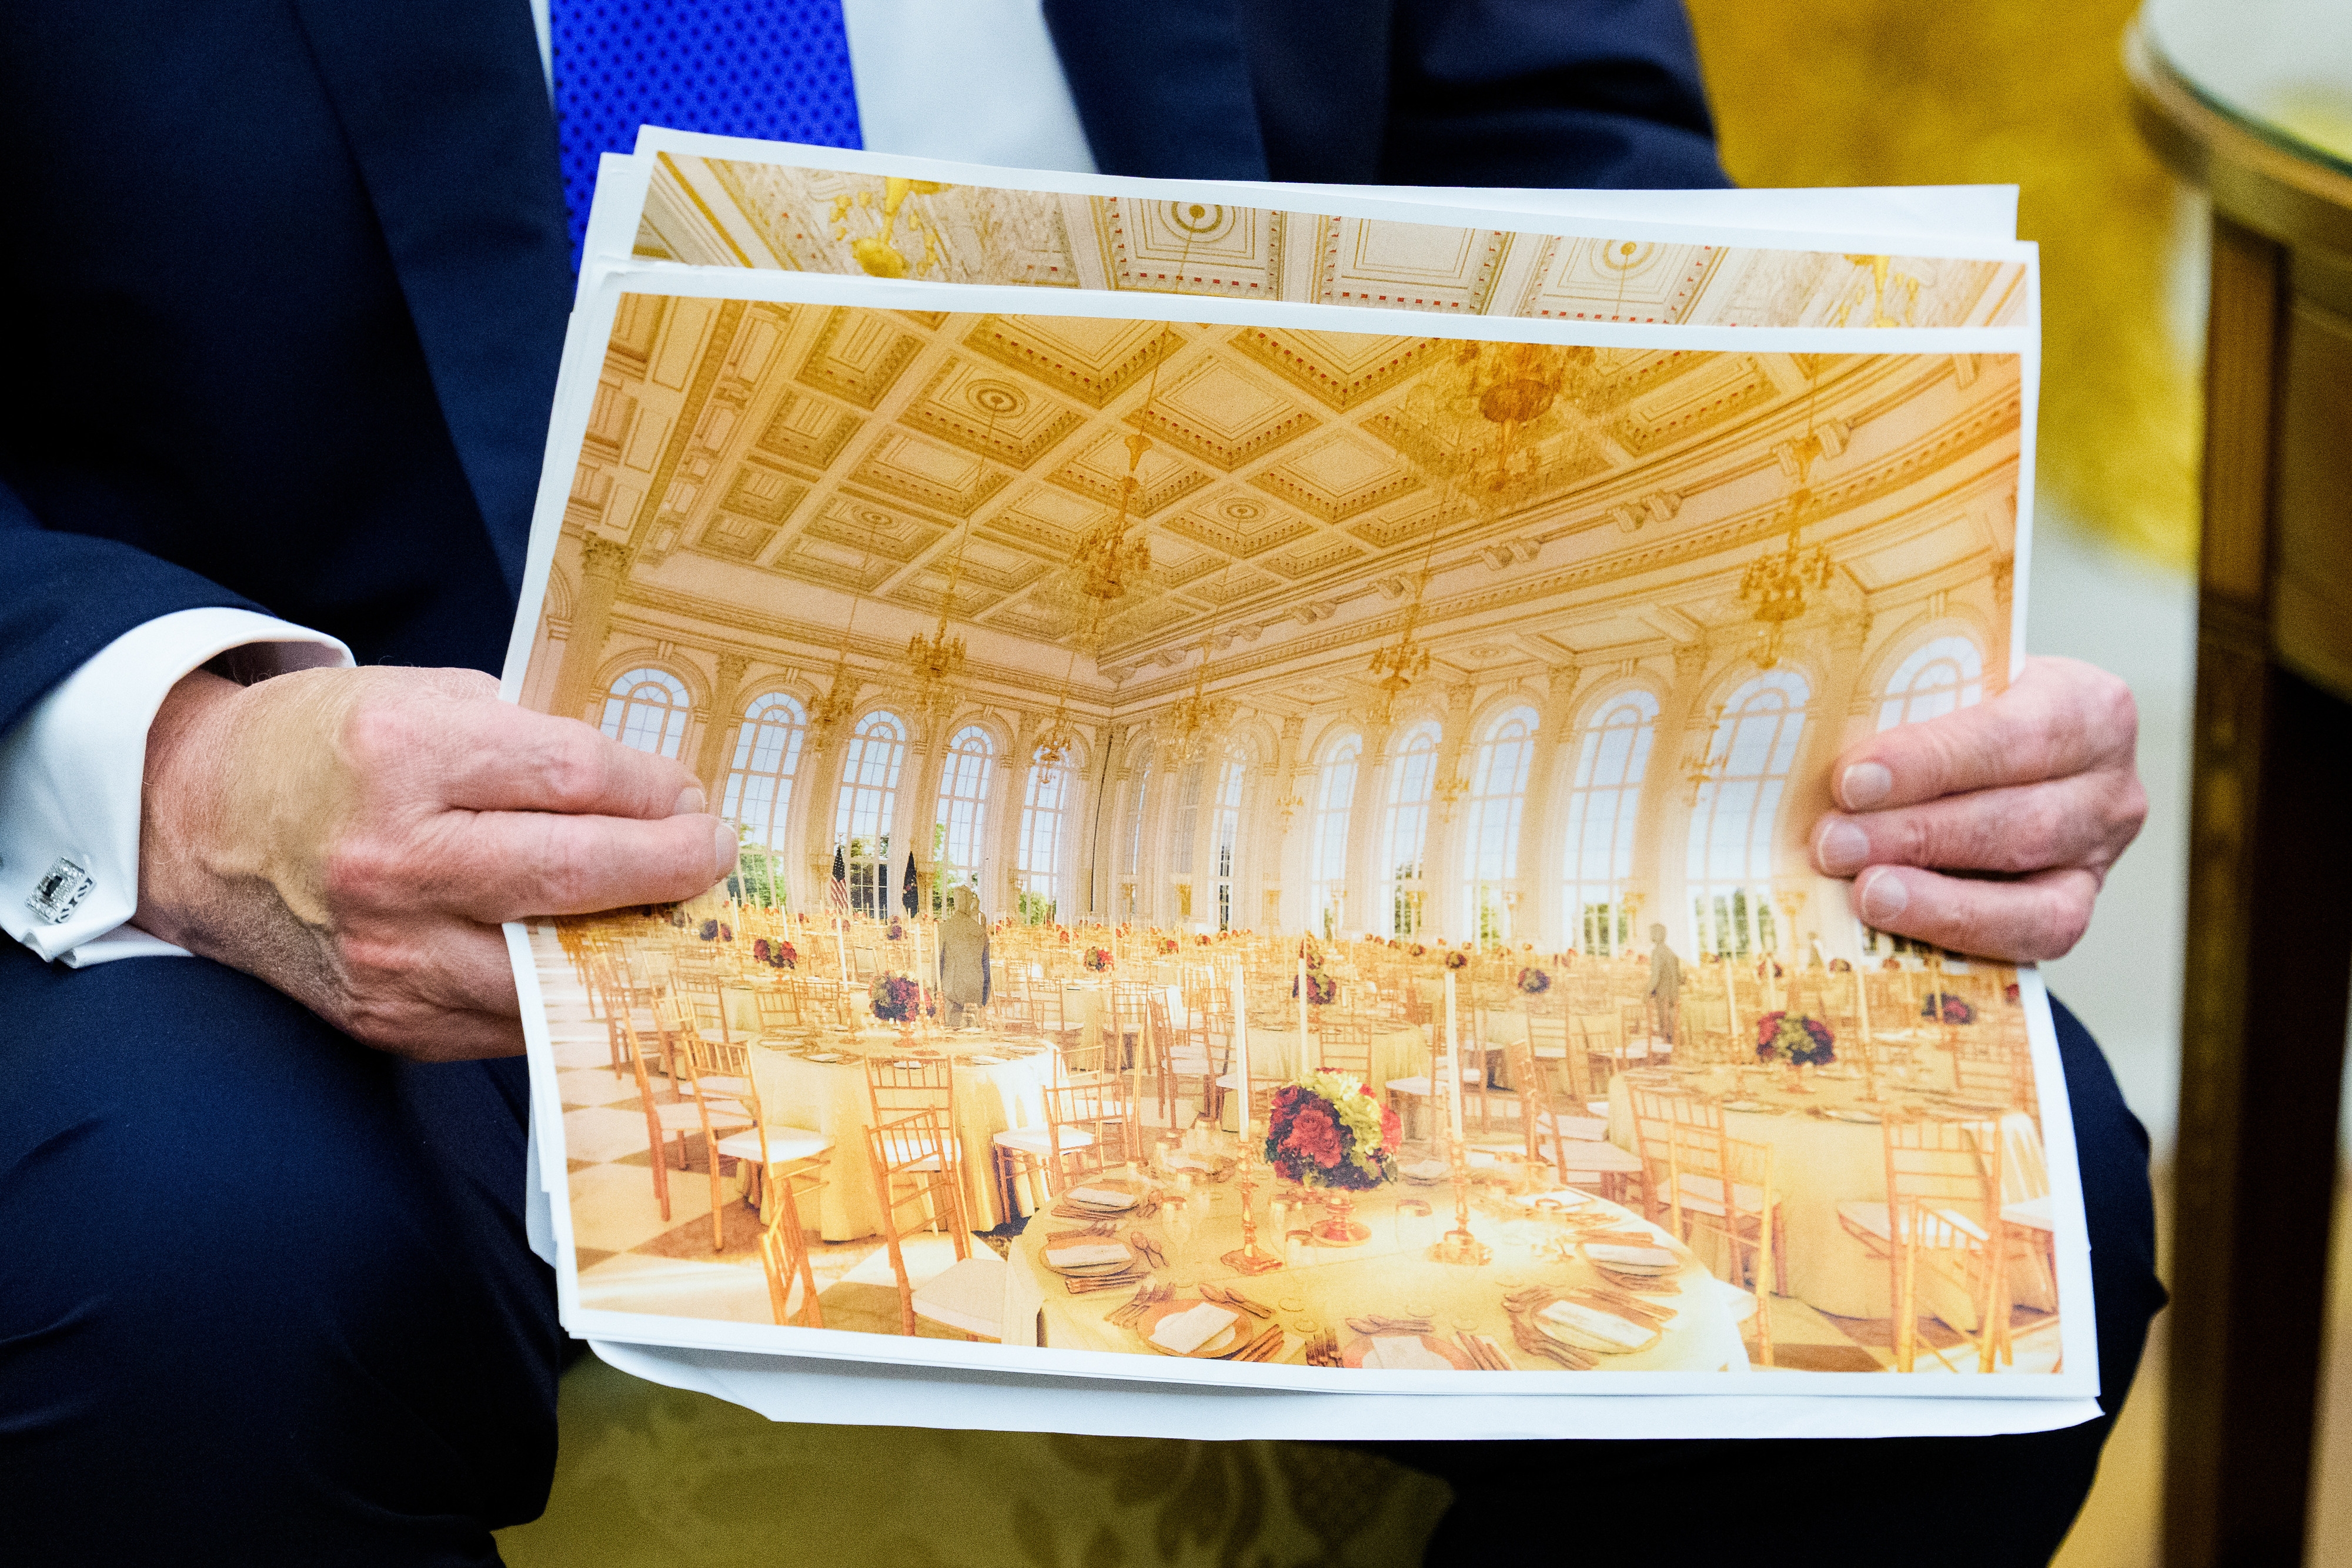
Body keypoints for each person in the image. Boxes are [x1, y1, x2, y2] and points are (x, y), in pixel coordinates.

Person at [0, 3, 2160, 1563]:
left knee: (2000, 1192)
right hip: (331, 857)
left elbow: (1560, 159)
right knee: (200, 1255)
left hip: (1243, 809)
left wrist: (1836, 666)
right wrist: (188, 757)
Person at [937, 888, 991, 1027]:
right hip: (975, 988)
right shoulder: (980, 932)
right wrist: (984, 997)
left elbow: (938, 963)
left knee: (951, 1034)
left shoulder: (945, 929)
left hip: (951, 989)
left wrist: (935, 991)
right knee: (972, 1033)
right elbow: (986, 967)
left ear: (956, 903)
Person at [1645, 922, 1682, 1047]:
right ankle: (1674, 1047)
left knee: (1664, 1023)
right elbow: (1679, 976)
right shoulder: (1670, 952)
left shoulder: (1657, 952)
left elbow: (1655, 976)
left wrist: (1647, 993)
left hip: (1663, 993)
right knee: (1672, 1021)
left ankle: (1667, 1050)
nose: (1650, 936)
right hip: (1674, 992)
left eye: (1652, 933)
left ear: (1657, 935)